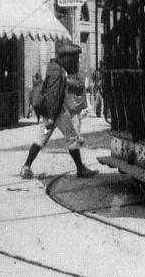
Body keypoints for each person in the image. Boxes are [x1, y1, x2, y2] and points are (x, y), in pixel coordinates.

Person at [19, 43, 98, 179]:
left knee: (40, 139)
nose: (75, 62)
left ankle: (26, 167)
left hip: (51, 114)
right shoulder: (58, 72)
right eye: (74, 58)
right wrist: (51, 118)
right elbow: (54, 96)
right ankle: (80, 169)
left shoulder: (53, 68)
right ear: (65, 58)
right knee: (72, 138)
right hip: (57, 114)